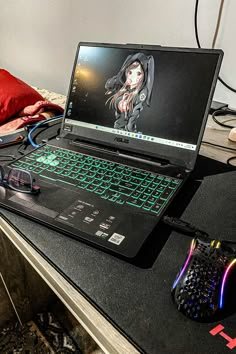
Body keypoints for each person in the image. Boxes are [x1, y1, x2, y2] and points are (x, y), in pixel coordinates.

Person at [105, 52, 154, 133]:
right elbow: (108, 85)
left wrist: (130, 132)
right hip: (117, 129)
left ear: (144, 76)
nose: (133, 77)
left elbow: (134, 115)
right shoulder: (123, 87)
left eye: (138, 73)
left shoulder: (142, 93)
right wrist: (117, 77)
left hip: (129, 132)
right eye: (130, 72)